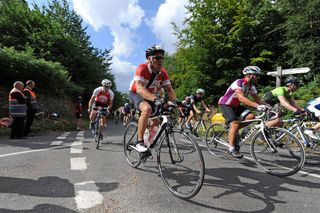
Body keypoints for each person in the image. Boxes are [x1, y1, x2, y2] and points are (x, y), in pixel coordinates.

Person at [128, 45, 180, 153]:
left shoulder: (163, 72)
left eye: (162, 58)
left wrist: (176, 101)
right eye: (157, 58)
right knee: (146, 109)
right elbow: (139, 88)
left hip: (149, 95)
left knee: (156, 121)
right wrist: (155, 99)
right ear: (149, 58)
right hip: (135, 93)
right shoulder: (142, 68)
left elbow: (169, 89)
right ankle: (139, 142)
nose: (160, 60)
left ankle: (148, 141)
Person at [218, 66, 268, 158]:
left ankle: (234, 129)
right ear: (250, 75)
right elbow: (241, 98)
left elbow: (258, 99)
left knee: (251, 117)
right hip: (226, 104)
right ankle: (231, 148)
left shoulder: (251, 86)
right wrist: (257, 106)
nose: (258, 78)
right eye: (257, 76)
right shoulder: (239, 82)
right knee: (235, 123)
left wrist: (270, 107)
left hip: (236, 105)